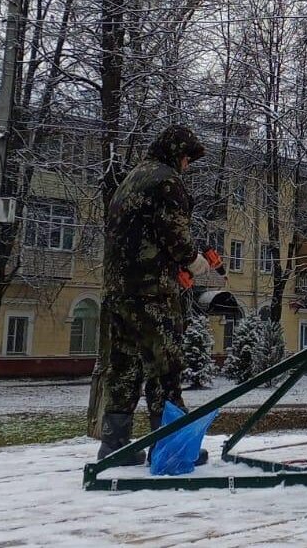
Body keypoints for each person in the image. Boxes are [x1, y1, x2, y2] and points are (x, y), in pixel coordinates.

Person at [97, 123, 213, 465]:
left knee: (123, 365)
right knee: (165, 366)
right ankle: (171, 448)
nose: (188, 166)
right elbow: (174, 235)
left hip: (118, 291)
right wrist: (195, 263)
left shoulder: (131, 179)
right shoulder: (167, 181)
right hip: (152, 292)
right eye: (188, 159)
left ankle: (115, 446)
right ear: (177, 154)